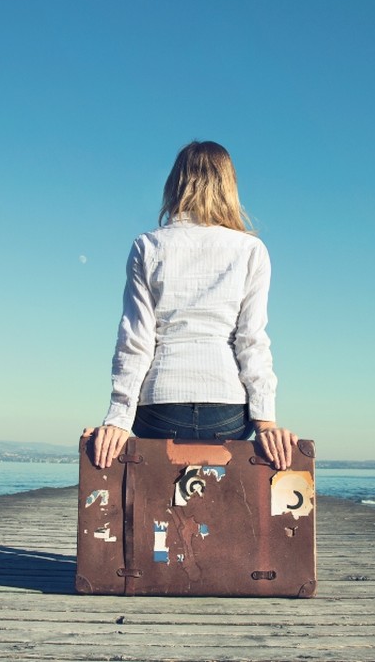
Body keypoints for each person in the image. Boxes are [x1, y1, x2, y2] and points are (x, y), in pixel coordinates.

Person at [89, 141, 299, 471]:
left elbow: (136, 340)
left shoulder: (147, 246)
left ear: (175, 184)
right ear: (229, 186)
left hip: (158, 412)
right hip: (228, 414)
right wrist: (266, 421)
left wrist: (118, 417)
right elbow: (251, 341)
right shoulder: (251, 250)